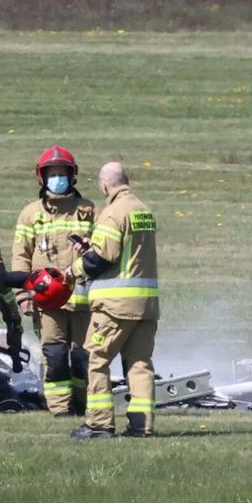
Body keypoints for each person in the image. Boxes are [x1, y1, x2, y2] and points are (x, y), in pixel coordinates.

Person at [69, 161, 159, 439]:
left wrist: (72, 270)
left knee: (97, 360)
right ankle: (142, 427)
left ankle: (99, 424)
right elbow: (125, 255)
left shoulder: (112, 213)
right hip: (145, 307)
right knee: (140, 365)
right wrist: (90, 247)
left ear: (104, 185)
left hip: (114, 308)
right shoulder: (144, 210)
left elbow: (100, 259)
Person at [10, 146, 96, 416]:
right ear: (42, 177)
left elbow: (105, 253)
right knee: (56, 356)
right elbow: (20, 258)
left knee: (84, 357)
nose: (58, 179)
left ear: (73, 176)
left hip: (86, 302)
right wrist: (23, 297)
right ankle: (59, 409)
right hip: (47, 304)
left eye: (63, 173)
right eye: (52, 174)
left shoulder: (90, 211)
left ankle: (84, 403)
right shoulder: (31, 214)